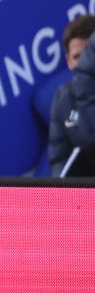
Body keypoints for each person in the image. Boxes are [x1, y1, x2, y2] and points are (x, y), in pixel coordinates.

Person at [38, 15, 95, 175]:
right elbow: (59, 160)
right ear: (68, 61)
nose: (84, 61)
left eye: (88, 54)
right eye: (77, 56)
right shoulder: (62, 101)